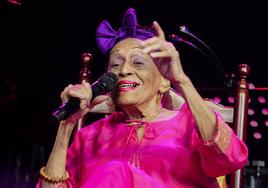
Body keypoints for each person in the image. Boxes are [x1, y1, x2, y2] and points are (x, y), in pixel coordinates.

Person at [36, 8, 248, 188]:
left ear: (164, 81)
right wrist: (66, 126)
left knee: (116, 172)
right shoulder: (90, 137)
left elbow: (229, 159)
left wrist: (181, 80)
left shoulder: (191, 125)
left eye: (138, 63)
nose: (124, 70)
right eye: (116, 65)